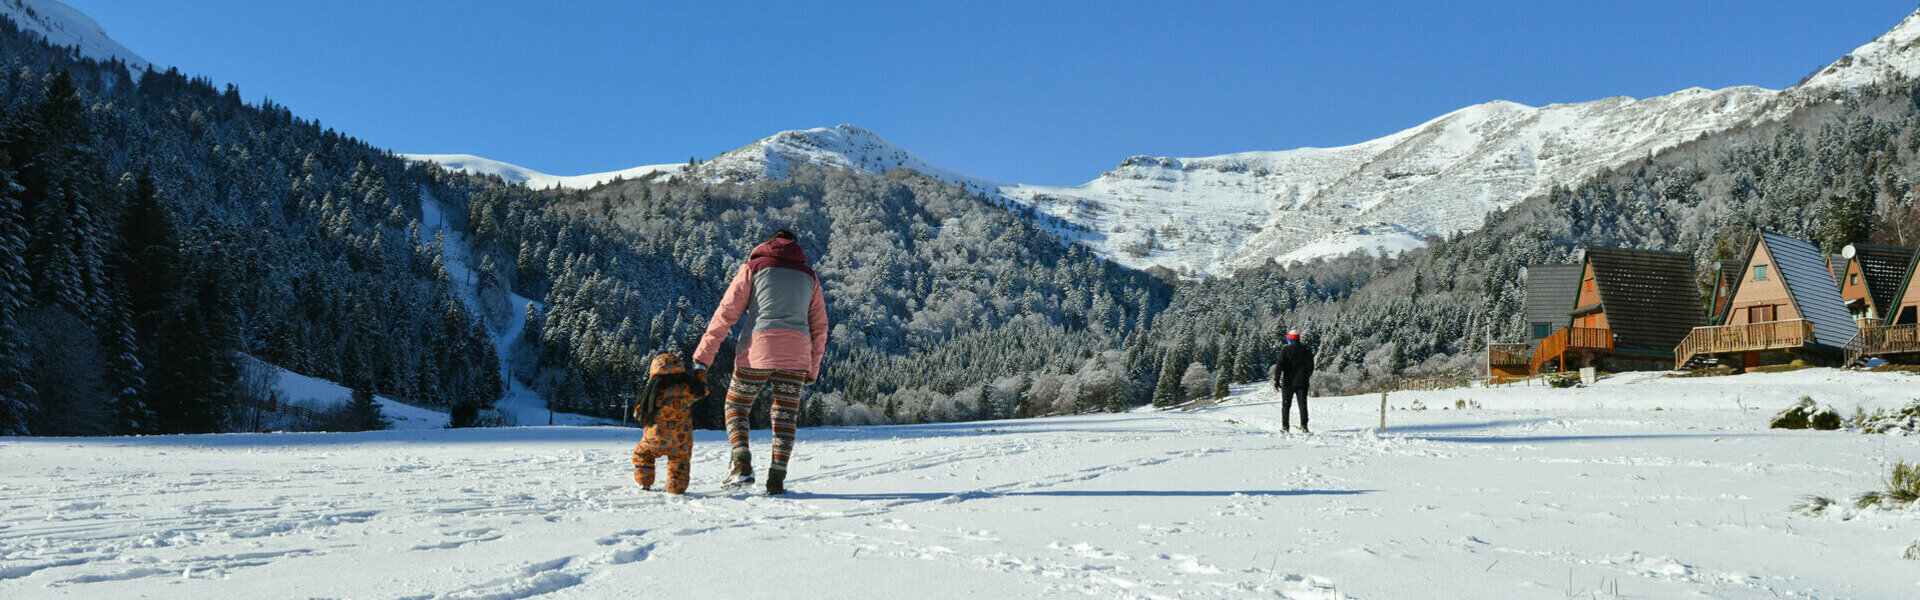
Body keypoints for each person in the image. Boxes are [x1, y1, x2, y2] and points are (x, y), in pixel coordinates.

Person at [693, 229, 829, 495]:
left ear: (768, 243)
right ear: (795, 247)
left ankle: (741, 465)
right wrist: (813, 367)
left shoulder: (753, 267)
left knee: (736, 404)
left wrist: (702, 358)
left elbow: (726, 313)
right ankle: (777, 480)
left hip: (758, 350)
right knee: (785, 415)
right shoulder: (809, 276)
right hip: (797, 355)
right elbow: (820, 326)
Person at [631, 353, 706, 495]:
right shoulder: (688, 389)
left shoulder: (652, 392)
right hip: (681, 439)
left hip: (655, 437)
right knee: (680, 460)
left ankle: (644, 481)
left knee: (643, 453)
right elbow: (703, 390)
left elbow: (638, 414)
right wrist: (699, 370)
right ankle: (676, 487)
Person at [1271, 327, 1314, 433]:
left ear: (1289, 339)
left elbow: (1279, 366)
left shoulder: (1285, 350)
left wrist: (1276, 380)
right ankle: (1304, 426)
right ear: (1299, 338)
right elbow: (1311, 366)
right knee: (1302, 405)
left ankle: (1285, 427)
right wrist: (1306, 376)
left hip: (1288, 383)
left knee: (1286, 405)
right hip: (1302, 382)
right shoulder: (1306, 349)